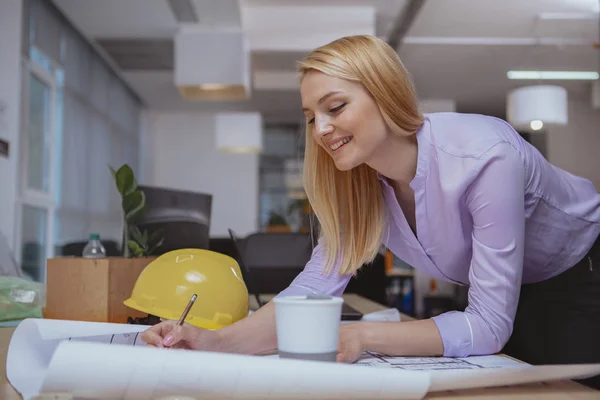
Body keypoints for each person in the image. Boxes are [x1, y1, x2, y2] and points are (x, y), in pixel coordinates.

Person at [142, 35, 600, 388]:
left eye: (335, 107)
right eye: (309, 117)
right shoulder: (359, 184)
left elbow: (487, 325)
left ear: (385, 94)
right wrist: (215, 343)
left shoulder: (484, 155)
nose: (320, 129)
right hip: (509, 295)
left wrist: (361, 337)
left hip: (583, 273)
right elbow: (313, 292)